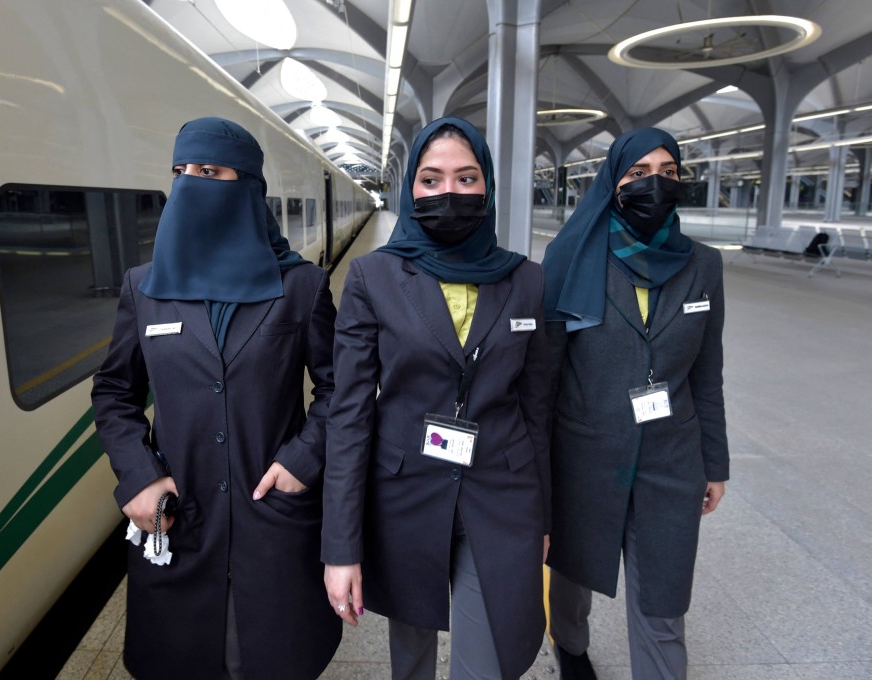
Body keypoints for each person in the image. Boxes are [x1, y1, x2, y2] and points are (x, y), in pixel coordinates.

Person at [91, 117, 341, 679]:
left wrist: (302, 461)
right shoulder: (145, 287)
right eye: (180, 172)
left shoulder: (299, 287)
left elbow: (340, 391)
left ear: (248, 186)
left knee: (267, 659)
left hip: (272, 520)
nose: (189, 184)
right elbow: (113, 392)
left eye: (208, 171)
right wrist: (138, 475)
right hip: (180, 521)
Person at [322, 116, 551, 680]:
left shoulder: (528, 281)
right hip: (403, 492)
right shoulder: (373, 277)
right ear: (411, 189)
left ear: (488, 187)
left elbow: (538, 408)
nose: (449, 192)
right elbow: (349, 416)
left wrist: (546, 515)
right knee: (411, 652)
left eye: (466, 178)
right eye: (431, 179)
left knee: (487, 660)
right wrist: (340, 547)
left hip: (502, 492)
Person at [541, 127, 729, 680]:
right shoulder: (569, 258)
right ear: (613, 183)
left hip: (673, 459)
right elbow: (545, 373)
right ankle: (570, 650)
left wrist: (714, 465)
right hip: (583, 452)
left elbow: (708, 376)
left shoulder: (704, 265)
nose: (656, 183)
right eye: (638, 173)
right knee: (573, 574)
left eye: (669, 172)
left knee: (664, 596)